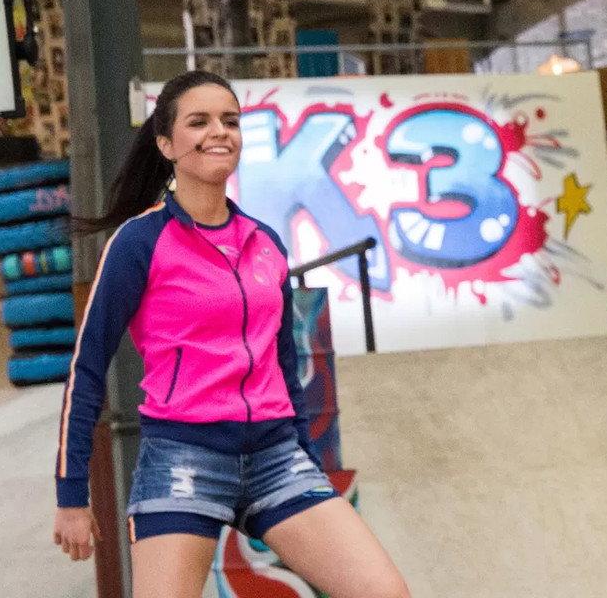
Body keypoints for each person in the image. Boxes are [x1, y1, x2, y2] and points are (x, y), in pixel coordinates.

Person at [52, 70, 410, 598]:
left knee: (385, 592)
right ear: (166, 144)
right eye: (199, 122)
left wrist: (307, 463)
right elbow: (87, 369)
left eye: (230, 121)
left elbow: (284, 367)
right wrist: (71, 496)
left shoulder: (264, 243)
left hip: (276, 456)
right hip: (182, 456)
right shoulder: (139, 242)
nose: (219, 131)